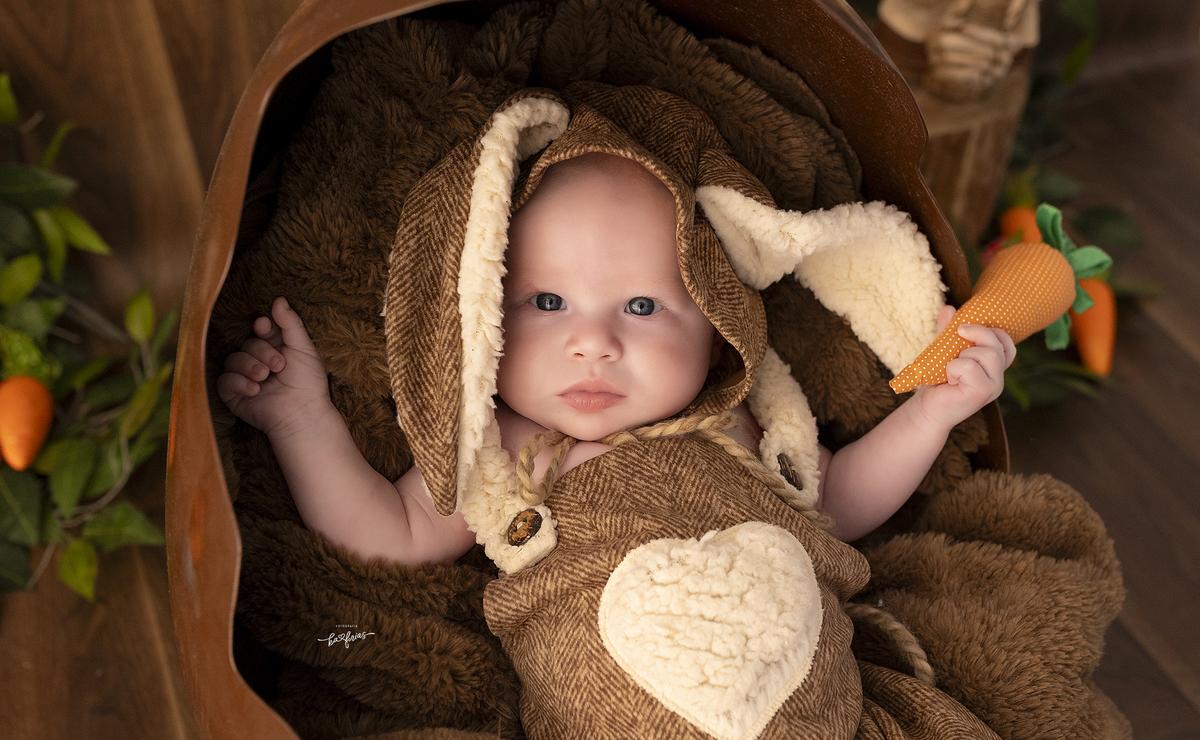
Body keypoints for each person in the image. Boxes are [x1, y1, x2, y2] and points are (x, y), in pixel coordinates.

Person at [218, 152, 1014, 563]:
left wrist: (934, 410)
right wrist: (303, 421)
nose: (593, 343)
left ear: (716, 327)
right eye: (548, 302)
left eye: (641, 307)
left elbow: (835, 507)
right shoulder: (506, 444)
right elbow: (387, 537)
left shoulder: (740, 419)